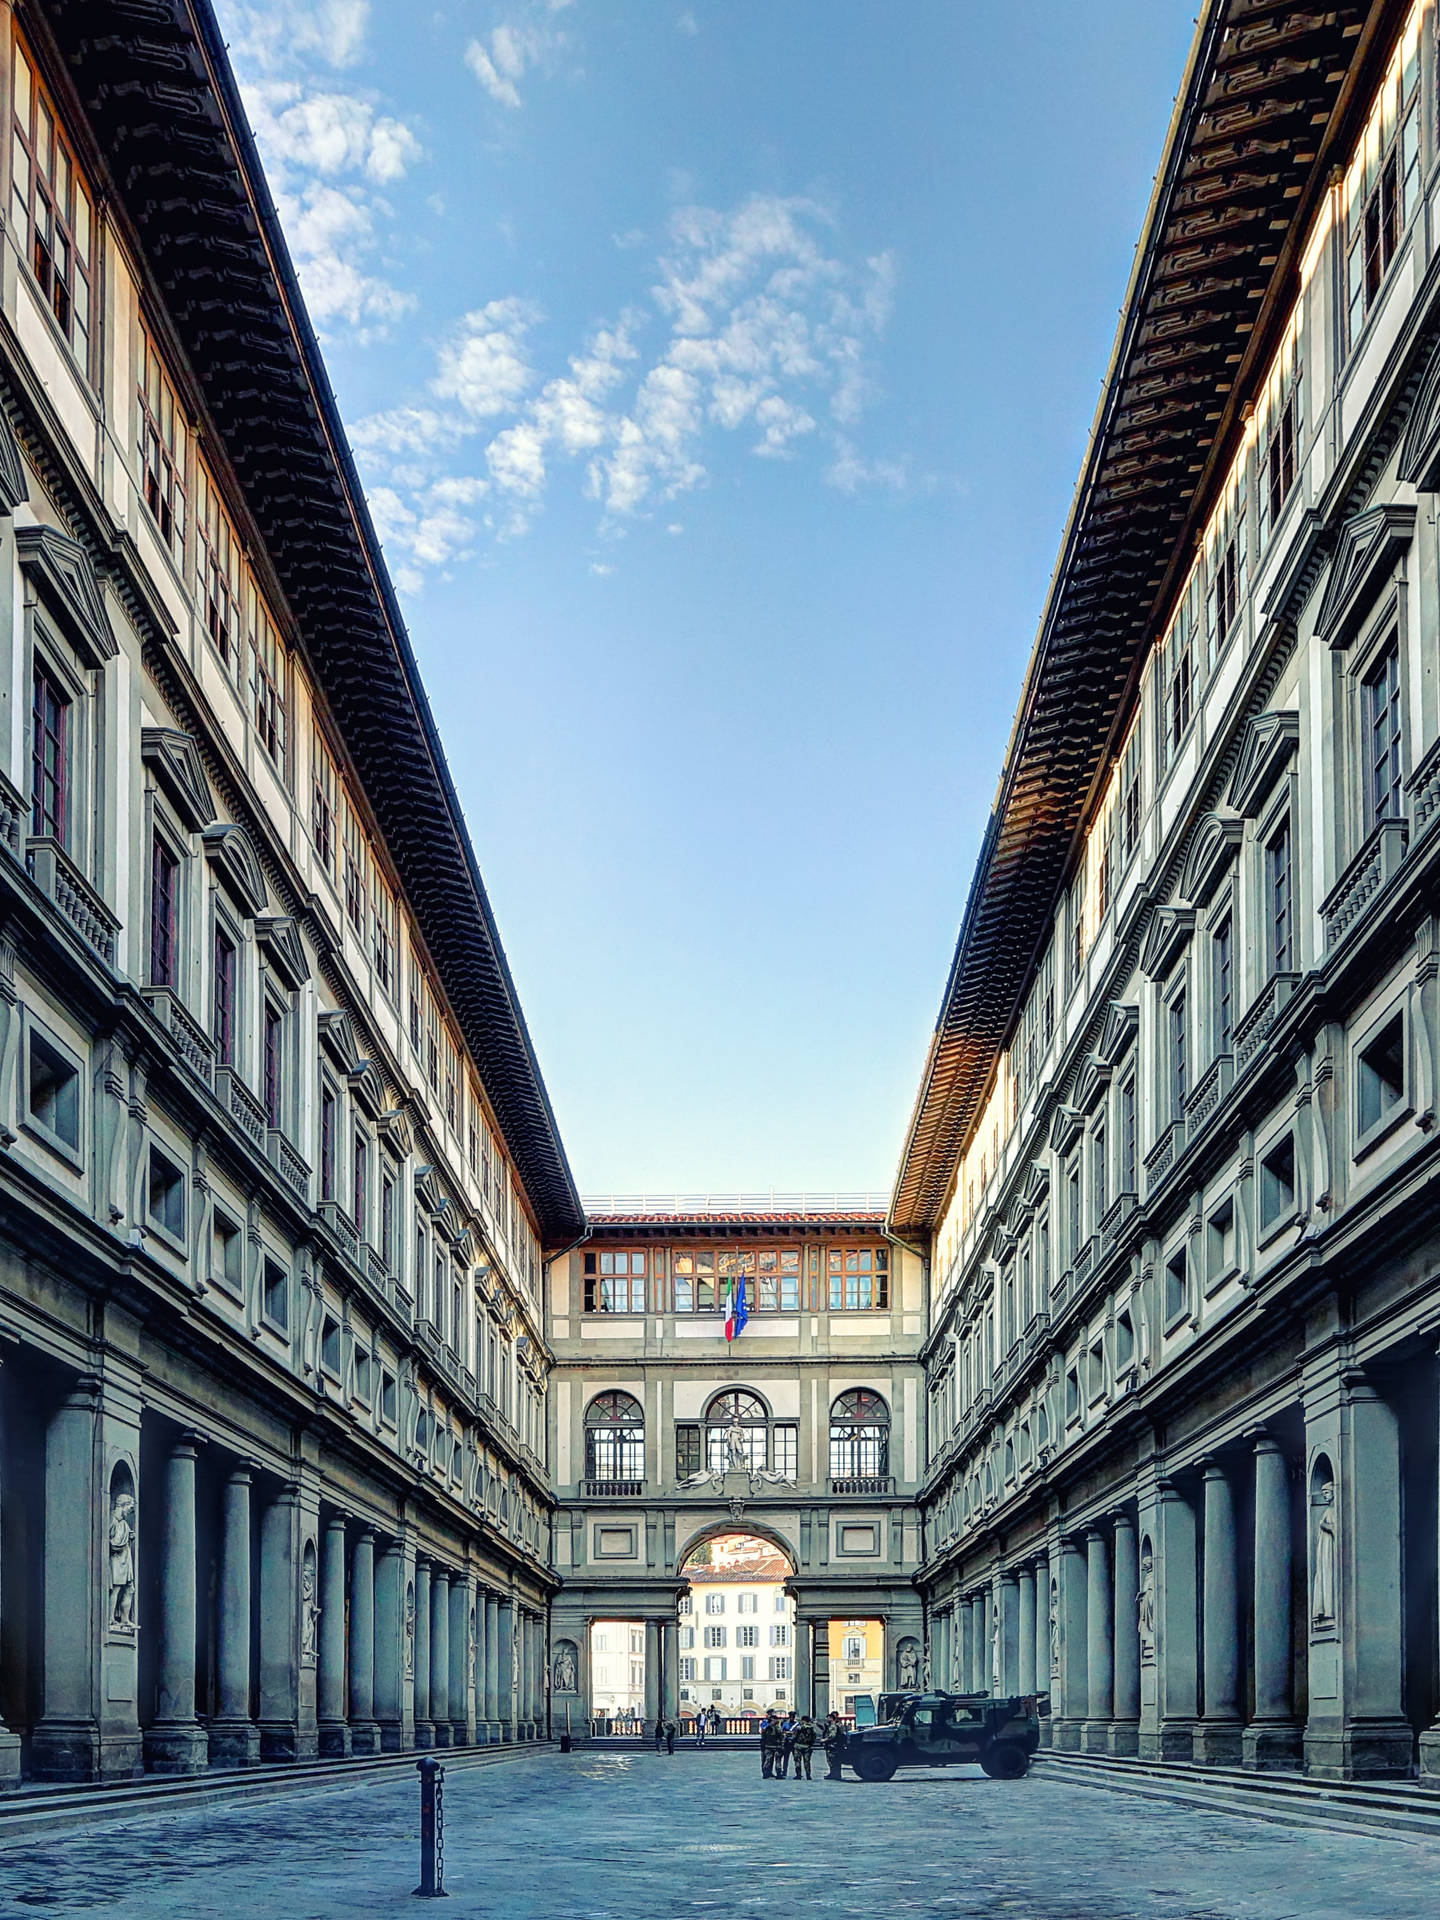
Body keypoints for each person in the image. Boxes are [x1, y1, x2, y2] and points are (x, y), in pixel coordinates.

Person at [821, 1710, 846, 1781]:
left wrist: (824, 1740)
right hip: (835, 1745)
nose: (827, 1719)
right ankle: (835, 1774)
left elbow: (832, 1735)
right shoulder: (835, 1725)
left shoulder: (834, 1725)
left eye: (828, 1718)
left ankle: (834, 1774)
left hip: (833, 1745)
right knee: (835, 1761)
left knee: (832, 1760)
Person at [791, 1714, 816, 1780]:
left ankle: (798, 1775)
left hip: (798, 1746)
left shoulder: (799, 1728)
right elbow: (814, 1737)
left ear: (803, 1721)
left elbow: (794, 1736)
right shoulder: (812, 1728)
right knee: (807, 1761)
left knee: (797, 1761)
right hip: (807, 1746)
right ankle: (808, 1775)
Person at [760, 1710, 783, 1779]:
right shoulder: (767, 1726)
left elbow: (781, 1736)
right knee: (768, 1760)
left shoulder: (777, 1728)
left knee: (775, 1761)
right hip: (768, 1746)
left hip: (774, 1746)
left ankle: (775, 1773)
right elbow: (763, 1734)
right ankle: (766, 1773)